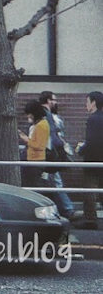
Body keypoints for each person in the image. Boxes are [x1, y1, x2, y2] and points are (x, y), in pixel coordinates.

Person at [38, 90, 74, 218]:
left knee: (49, 181)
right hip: (49, 153)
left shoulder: (42, 114)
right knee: (55, 181)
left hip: (44, 152)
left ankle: (61, 208)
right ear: (48, 100)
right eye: (54, 99)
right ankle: (67, 208)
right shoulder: (47, 115)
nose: (55, 102)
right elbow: (52, 135)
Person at [75, 90, 103, 229]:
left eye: (87, 102)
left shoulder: (92, 119)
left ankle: (91, 220)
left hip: (92, 160)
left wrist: (81, 149)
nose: (86, 105)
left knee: (90, 191)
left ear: (93, 103)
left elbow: (92, 141)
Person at [19, 99, 51, 190]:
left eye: (29, 113)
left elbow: (39, 146)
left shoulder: (41, 125)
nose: (28, 116)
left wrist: (26, 140)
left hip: (36, 161)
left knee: (33, 186)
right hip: (33, 160)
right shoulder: (41, 124)